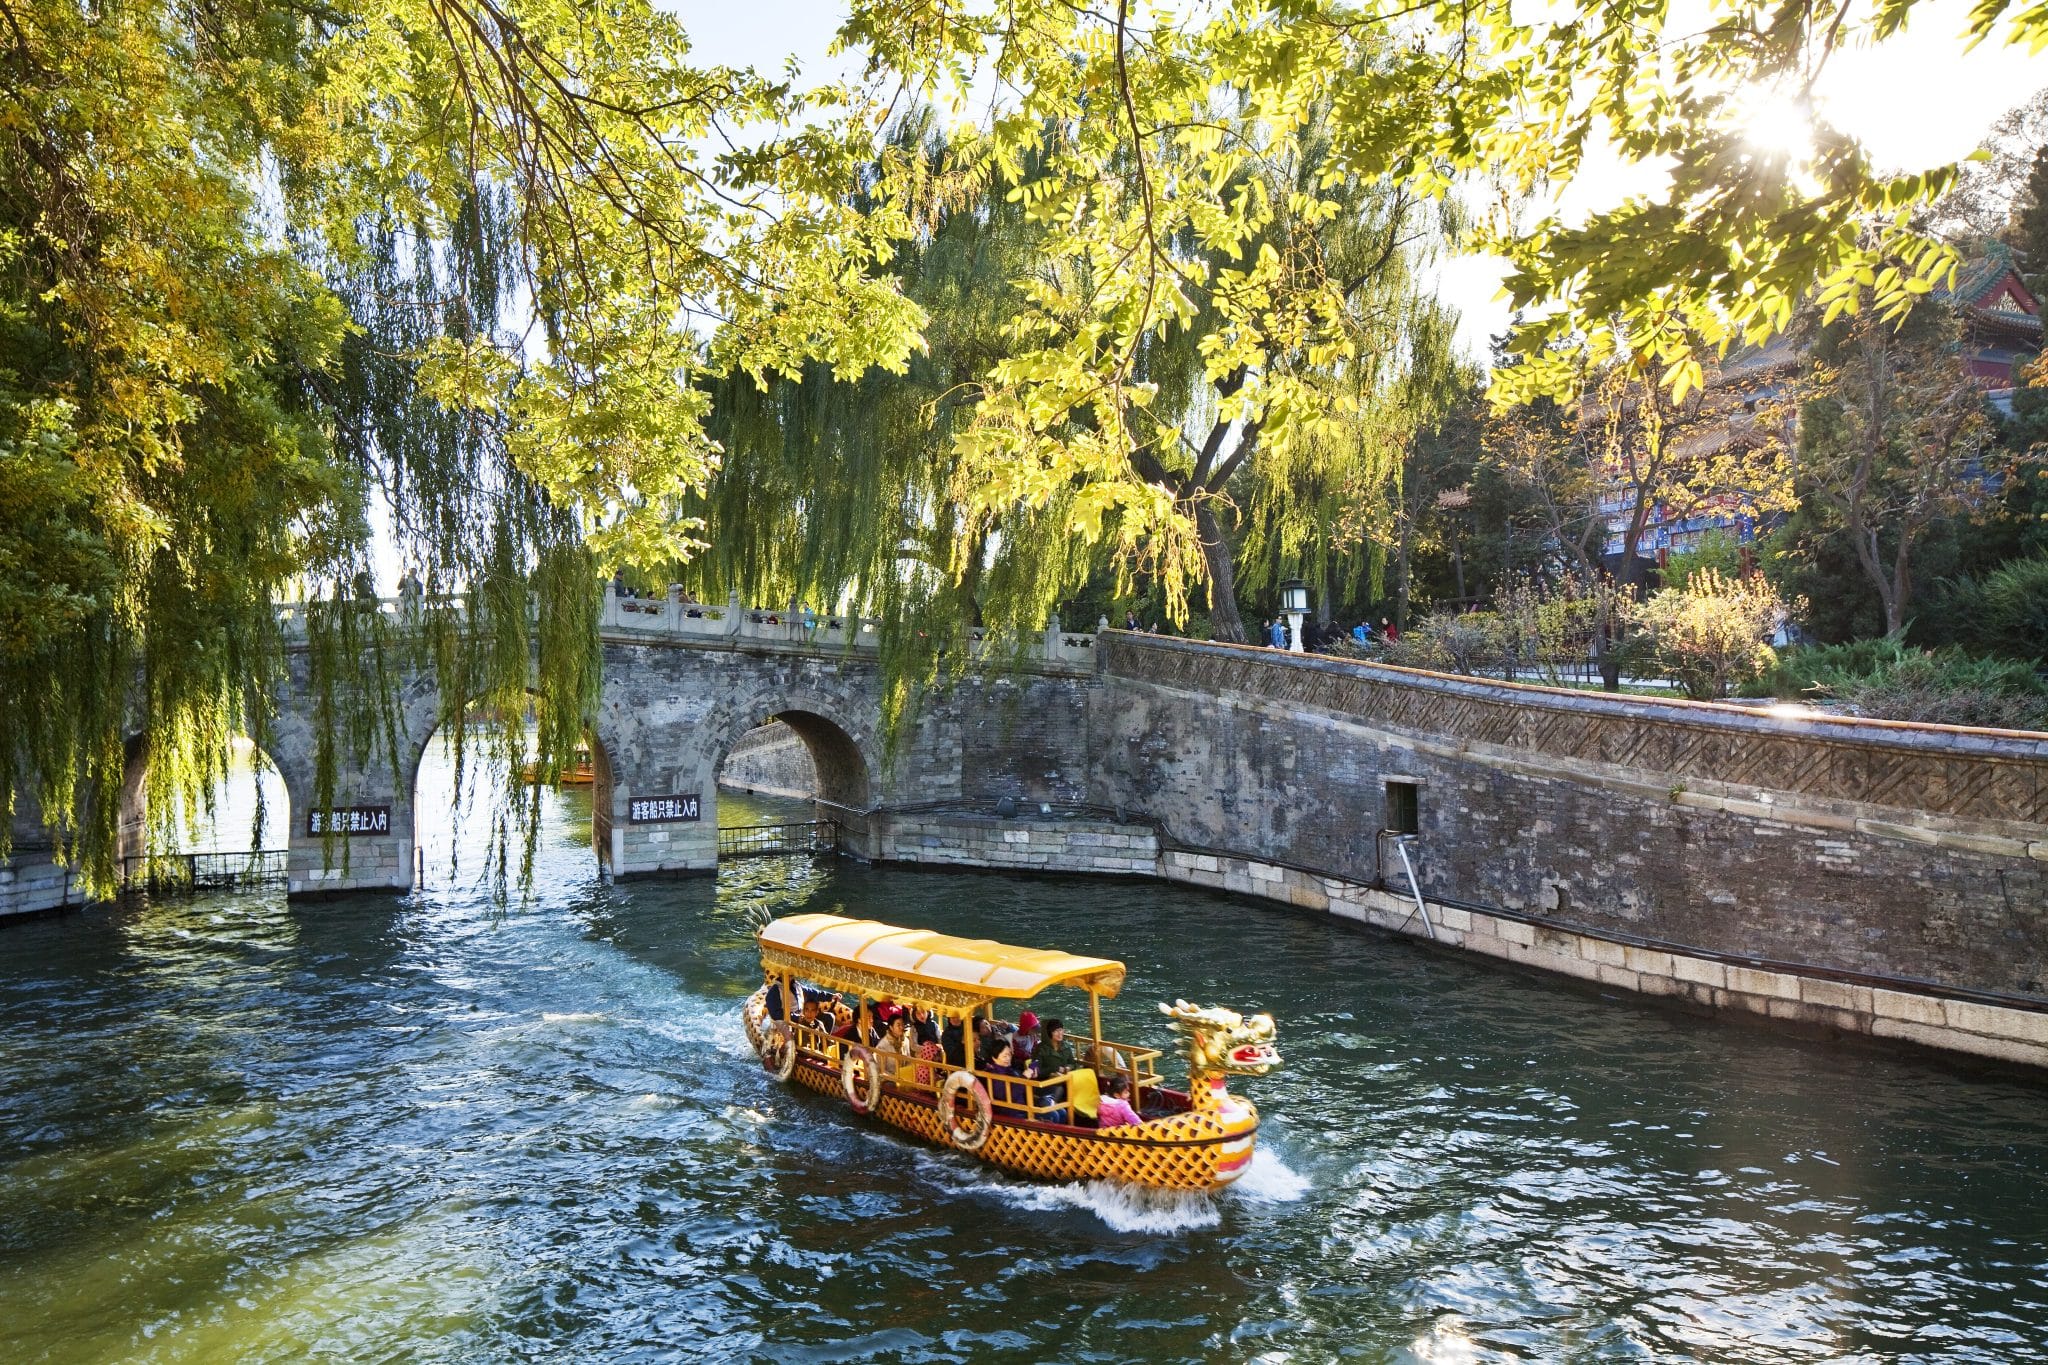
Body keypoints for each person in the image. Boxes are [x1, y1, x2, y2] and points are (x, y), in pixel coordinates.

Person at [985, 1037, 1026, 1120]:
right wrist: (1024, 1078)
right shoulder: (993, 1074)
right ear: (994, 1057)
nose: (1008, 1058)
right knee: (1053, 1115)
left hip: (1023, 1109)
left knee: (1057, 1111)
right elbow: (1007, 1096)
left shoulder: (1010, 1070)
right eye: (1005, 1056)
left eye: (1009, 1055)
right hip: (1010, 1113)